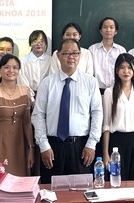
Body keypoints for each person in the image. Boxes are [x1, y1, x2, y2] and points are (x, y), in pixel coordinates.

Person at [32, 39, 102, 184]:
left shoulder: (90, 82)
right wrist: (43, 145)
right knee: (50, 191)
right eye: (66, 53)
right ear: (58, 56)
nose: (71, 57)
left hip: (81, 147)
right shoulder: (47, 83)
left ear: (80, 55)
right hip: (52, 147)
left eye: (75, 53)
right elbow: (38, 115)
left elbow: (97, 113)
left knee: (81, 192)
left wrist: (91, 144)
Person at [0, 54, 34, 176]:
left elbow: (27, 123)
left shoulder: (25, 91)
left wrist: (31, 148)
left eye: (15, 67)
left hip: (19, 147)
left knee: (19, 182)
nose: (11, 70)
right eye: (7, 67)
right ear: (0, 69)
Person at [102, 53, 134, 180]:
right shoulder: (109, 92)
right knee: (118, 181)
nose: (126, 71)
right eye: (122, 68)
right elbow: (106, 125)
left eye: (129, 67)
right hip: (117, 142)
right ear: (116, 70)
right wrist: (105, 153)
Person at [89, 17, 126, 93]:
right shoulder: (92, 49)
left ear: (116, 31)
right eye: (105, 27)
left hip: (116, 90)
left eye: (111, 27)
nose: (108, 30)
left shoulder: (121, 50)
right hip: (96, 91)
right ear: (100, 31)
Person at [20, 30, 52, 95]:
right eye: (35, 41)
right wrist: (31, 97)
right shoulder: (22, 60)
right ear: (30, 44)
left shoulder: (50, 60)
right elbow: (22, 81)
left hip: (46, 94)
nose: (39, 44)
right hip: (27, 95)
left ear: (45, 44)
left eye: (41, 41)